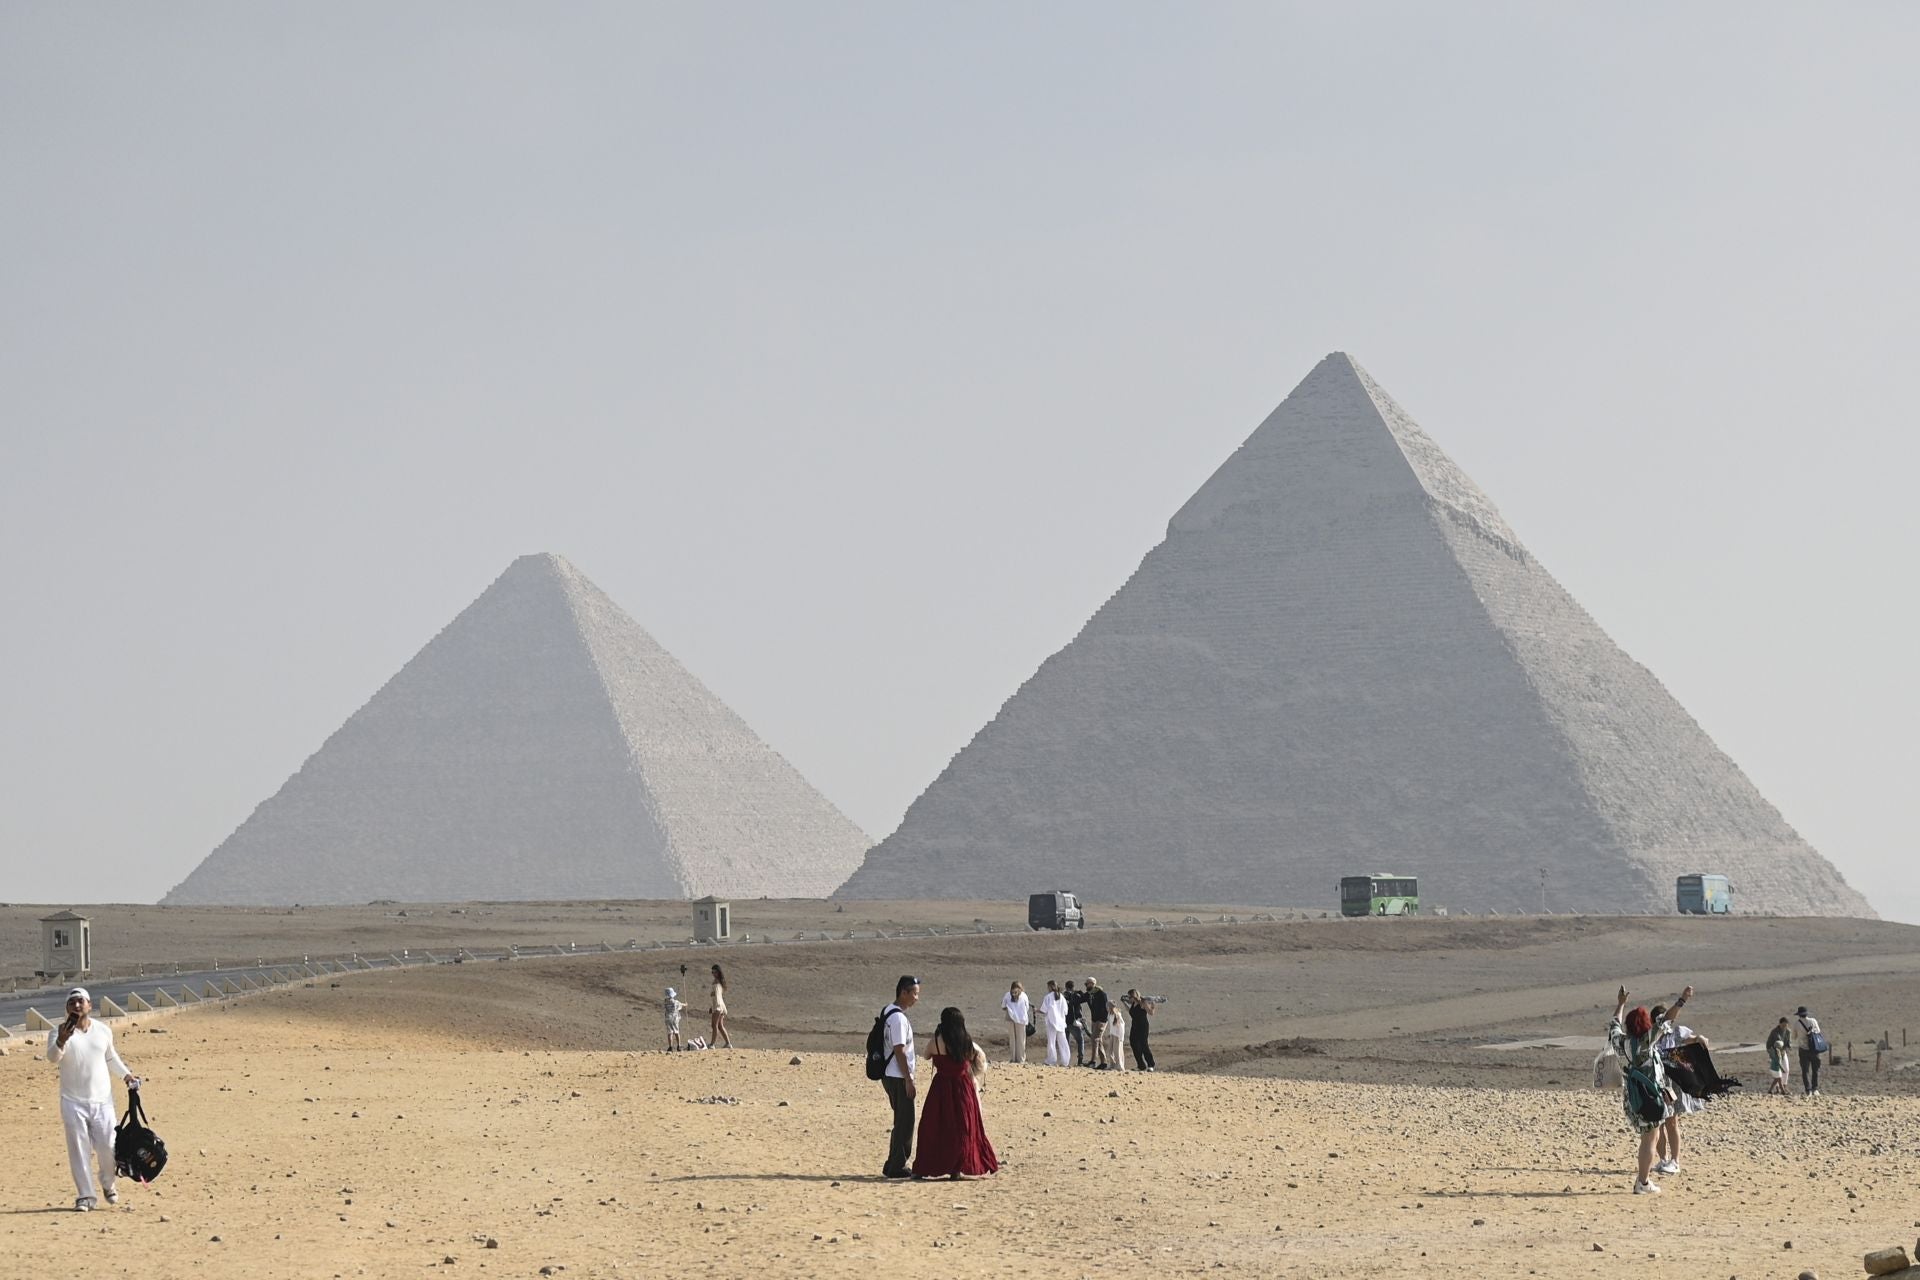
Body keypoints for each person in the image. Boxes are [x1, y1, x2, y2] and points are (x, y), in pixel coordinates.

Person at [43, 988, 137, 1212]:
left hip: (102, 1101)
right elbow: (53, 1058)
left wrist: (127, 1075)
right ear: (67, 1008)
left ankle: (108, 1183)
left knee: (108, 1147)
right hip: (72, 1101)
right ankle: (86, 1196)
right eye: (72, 1003)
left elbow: (110, 1057)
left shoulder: (103, 1030)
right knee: (79, 1149)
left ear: (89, 1005)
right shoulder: (58, 1032)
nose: (76, 1006)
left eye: (80, 1001)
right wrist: (62, 1041)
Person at [1607, 983, 1692, 1194]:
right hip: (1650, 1098)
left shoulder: (1619, 1042)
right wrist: (1682, 1000)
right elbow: (1666, 1020)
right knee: (1650, 1140)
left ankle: (1643, 1180)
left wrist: (1621, 1003)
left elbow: (1614, 1023)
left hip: (1632, 1099)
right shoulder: (1646, 1042)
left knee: (1648, 1137)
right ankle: (1643, 1182)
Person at [912, 1007, 1000, 1180]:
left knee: (934, 1126)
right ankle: (957, 1169)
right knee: (964, 1127)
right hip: (963, 1088)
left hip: (941, 1088)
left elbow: (926, 1055)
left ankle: (924, 1167)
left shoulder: (936, 1042)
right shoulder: (966, 1042)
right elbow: (975, 1059)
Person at [1651, 1004, 1708, 1175]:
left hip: (1672, 1085)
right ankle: (1663, 1159)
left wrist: (1699, 1038)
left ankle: (1675, 1161)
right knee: (1658, 1123)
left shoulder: (1675, 1033)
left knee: (1671, 1121)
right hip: (1657, 1083)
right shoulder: (1651, 1037)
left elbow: (1691, 1039)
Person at [879, 975, 921, 1179]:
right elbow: (899, 1050)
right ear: (903, 992)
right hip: (897, 1076)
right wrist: (908, 1079)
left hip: (891, 1074)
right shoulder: (898, 1019)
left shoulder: (888, 1011)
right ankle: (897, 1165)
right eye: (914, 993)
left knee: (901, 1120)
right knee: (905, 1122)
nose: (916, 998)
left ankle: (892, 1163)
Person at [1038, 980, 1069, 1067]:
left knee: (1051, 1042)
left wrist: (1036, 1010)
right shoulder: (1062, 997)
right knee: (1063, 1042)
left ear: (1050, 987)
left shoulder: (1048, 997)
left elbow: (1044, 1010)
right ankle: (1065, 1061)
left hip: (1051, 1022)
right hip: (1061, 1022)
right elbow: (1066, 1011)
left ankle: (1051, 1060)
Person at [1795, 1006, 1824, 1096]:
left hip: (1803, 1049)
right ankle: (1815, 1089)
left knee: (1805, 1071)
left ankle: (1808, 1090)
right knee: (1816, 1070)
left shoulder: (1797, 1024)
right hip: (1814, 1049)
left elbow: (1794, 1036)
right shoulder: (1813, 1021)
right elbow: (1818, 1031)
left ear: (1799, 1015)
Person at [1125, 989, 1157, 1071]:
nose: (1129, 998)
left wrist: (1153, 1005)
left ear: (1134, 996)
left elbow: (1151, 1013)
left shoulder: (1143, 1003)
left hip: (1142, 1026)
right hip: (1134, 1026)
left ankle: (1150, 1064)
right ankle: (1141, 1065)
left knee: (1144, 1045)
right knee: (1133, 1044)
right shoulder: (1133, 1003)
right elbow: (1131, 1012)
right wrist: (1124, 1003)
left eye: (1130, 997)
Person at [1000, 981, 1030, 1064]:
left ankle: (1013, 1058)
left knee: (1012, 1039)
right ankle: (1021, 1059)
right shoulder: (1024, 995)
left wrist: (1010, 1009)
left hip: (1010, 1019)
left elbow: (1003, 1006)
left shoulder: (1007, 995)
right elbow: (1027, 1008)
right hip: (1021, 1019)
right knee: (1021, 1039)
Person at [1085, 978, 1111, 1069]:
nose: (1086, 986)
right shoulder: (1090, 994)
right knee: (1098, 1041)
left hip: (1101, 1021)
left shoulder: (1102, 994)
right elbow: (1081, 999)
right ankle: (1103, 1063)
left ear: (1092, 984)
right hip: (1094, 1020)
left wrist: (1102, 1022)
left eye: (1087, 984)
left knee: (1094, 1039)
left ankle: (1093, 1061)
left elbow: (1106, 1009)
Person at [1764, 1017, 1792, 1096]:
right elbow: (1768, 1044)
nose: (1784, 1027)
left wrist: (1786, 1049)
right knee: (1777, 1071)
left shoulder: (1788, 1032)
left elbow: (1788, 1044)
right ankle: (1778, 1088)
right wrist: (1772, 1053)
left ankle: (1784, 1085)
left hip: (1783, 1052)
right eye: (1783, 1025)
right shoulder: (1774, 1032)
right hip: (1775, 1053)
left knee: (1786, 1069)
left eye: (1786, 1025)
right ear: (1780, 1024)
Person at [1063, 981, 1088, 1067]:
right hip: (1074, 1022)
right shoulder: (1076, 995)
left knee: (1065, 1042)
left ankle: (1065, 1060)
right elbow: (1084, 999)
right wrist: (1080, 992)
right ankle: (1080, 1060)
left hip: (1064, 1022)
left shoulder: (1062, 996)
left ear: (1066, 987)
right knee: (1080, 1041)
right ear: (1073, 987)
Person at [708, 965, 731, 1049]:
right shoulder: (718, 982)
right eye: (712, 972)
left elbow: (717, 996)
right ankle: (728, 1043)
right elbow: (715, 996)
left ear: (718, 972)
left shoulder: (717, 983)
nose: (713, 974)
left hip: (718, 1006)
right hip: (719, 1006)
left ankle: (712, 1044)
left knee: (714, 1025)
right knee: (720, 1026)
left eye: (715, 972)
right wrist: (712, 1007)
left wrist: (716, 1008)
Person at [663, 987, 687, 1051]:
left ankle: (670, 1047)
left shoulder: (665, 1002)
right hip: (675, 1018)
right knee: (676, 1032)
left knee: (670, 1032)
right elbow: (680, 1005)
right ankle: (679, 1046)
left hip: (668, 1018)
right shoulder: (675, 1002)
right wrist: (685, 1004)